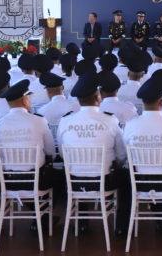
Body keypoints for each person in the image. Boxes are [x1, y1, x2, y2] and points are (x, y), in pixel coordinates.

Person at [56, 72, 126, 230]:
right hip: (105, 181)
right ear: (98, 97)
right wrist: (118, 164)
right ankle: (121, 226)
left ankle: (82, 221)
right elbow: (121, 154)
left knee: (77, 171)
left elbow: (62, 153)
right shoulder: (110, 120)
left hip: (74, 182)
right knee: (127, 179)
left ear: (79, 100)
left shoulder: (65, 121)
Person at [122, 75, 162, 190]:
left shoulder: (130, 124)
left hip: (138, 182)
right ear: (161, 102)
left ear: (142, 102)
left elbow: (125, 153)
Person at [0, 80, 56, 190]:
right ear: (24, 100)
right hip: (37, 180)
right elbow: (51, 152)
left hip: (8, 181)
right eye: (29, 97)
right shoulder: (39, 120)